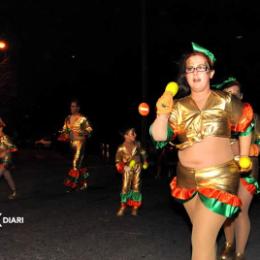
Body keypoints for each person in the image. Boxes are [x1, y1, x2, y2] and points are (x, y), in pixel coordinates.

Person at [150, 42, 253, 260]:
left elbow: (245, 125)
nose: (196, 72)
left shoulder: (226, 101)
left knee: (200, 239)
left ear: (211, 73)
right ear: (185, 75)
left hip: (219, 178)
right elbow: (159, 136)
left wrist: (244, 157)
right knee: (202, 238)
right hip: (186, 180)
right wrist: (162, 112)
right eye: (191, 68)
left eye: (201, 68)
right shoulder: (177, 106)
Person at [215, 78, 260, 260]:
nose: (232, 96)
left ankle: (240, 253)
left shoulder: (254, 118)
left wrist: (245, 150)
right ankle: (228, 244)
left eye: (236, 93)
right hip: (224, 170)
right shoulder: (218, 119)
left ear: (241, 96)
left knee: (241, 211)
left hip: (247, 171)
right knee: (227, 210)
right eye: (228, 93)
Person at [58, 99, 93, 192]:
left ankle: (73, 185)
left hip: (80, 143)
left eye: (74, 106)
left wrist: (81, 132)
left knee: (75, 163)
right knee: (81, 165)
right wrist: (64, 134)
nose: (72, 108)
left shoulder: (82, 118)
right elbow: (65, 129)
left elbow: (89, 130)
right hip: (71, 144)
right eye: (71, 106)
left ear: (78, 107)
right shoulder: (68, 118)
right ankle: (85, 182)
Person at [115, 127, 148, 216]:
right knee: (125, 187)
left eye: (135, 133)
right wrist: (122, 167)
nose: (135, 135)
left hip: (137, 167)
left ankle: (135, 208)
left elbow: (143, 152)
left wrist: (144, 161)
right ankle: (123, 206)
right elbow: (117, 160)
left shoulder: (137, 144)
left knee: (136, 187)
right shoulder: (121, 148)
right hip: (127, 169)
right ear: (126, 136)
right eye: (132, 133)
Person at [0, 117, 18, 199]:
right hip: (0, 159)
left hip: (6, 160)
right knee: (7, 176)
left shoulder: (5, 138)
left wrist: (5, 151)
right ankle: (14, 192)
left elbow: (14, 148)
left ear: (1, 128)